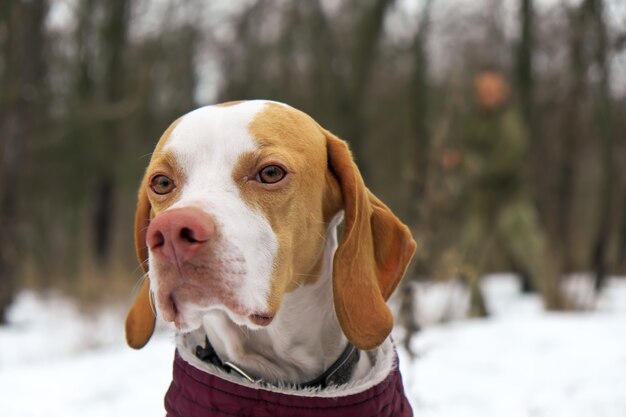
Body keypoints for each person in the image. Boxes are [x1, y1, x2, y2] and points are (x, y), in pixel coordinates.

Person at [444, 67, 548, 317]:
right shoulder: (474, 120)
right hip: (480, 201)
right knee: (470, 251)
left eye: (492, 90)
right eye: (482, 90)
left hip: (511, 199)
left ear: (503, 91)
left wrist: (466, 162)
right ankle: (478, 309)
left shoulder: (510, 122)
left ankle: (557, 301)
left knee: (532, 252)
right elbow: (462, 149)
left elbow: (508, 162)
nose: (487, 94)